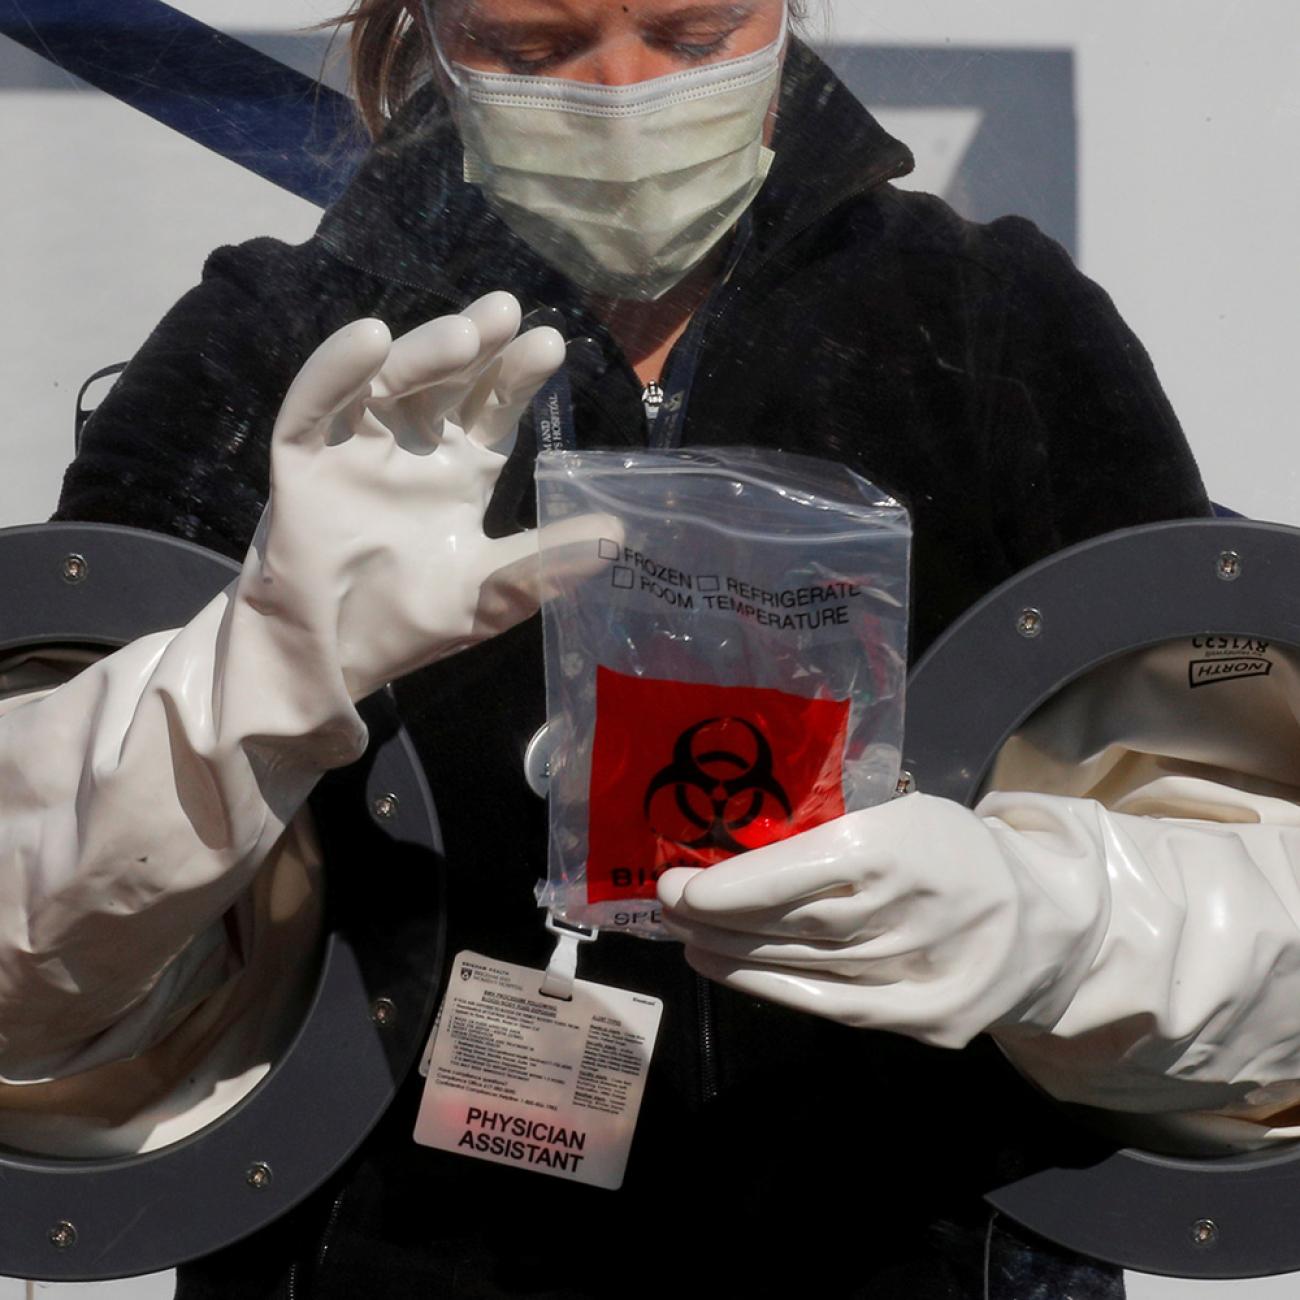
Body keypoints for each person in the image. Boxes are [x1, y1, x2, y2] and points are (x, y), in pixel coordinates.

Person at [8, 0, 1296, 1295]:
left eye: (691, 36)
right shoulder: (275, 357)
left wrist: (1051, 923)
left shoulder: (992, 327)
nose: (622, 95)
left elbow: (1258, 904)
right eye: (534, 46)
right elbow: (27, 978)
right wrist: (260, 676)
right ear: (432, 27)